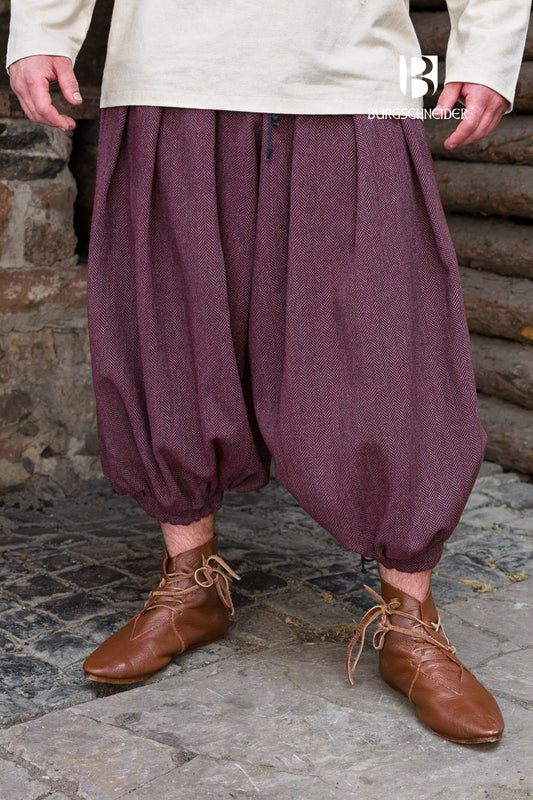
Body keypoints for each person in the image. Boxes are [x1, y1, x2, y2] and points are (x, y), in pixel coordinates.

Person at [6, 0, 531, 745]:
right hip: (170, 64)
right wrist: (40, 29)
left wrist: (486, 54)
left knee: (391, 348)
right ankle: (191, 581)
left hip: (357, 67)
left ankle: (410, 618)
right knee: (171, 331)